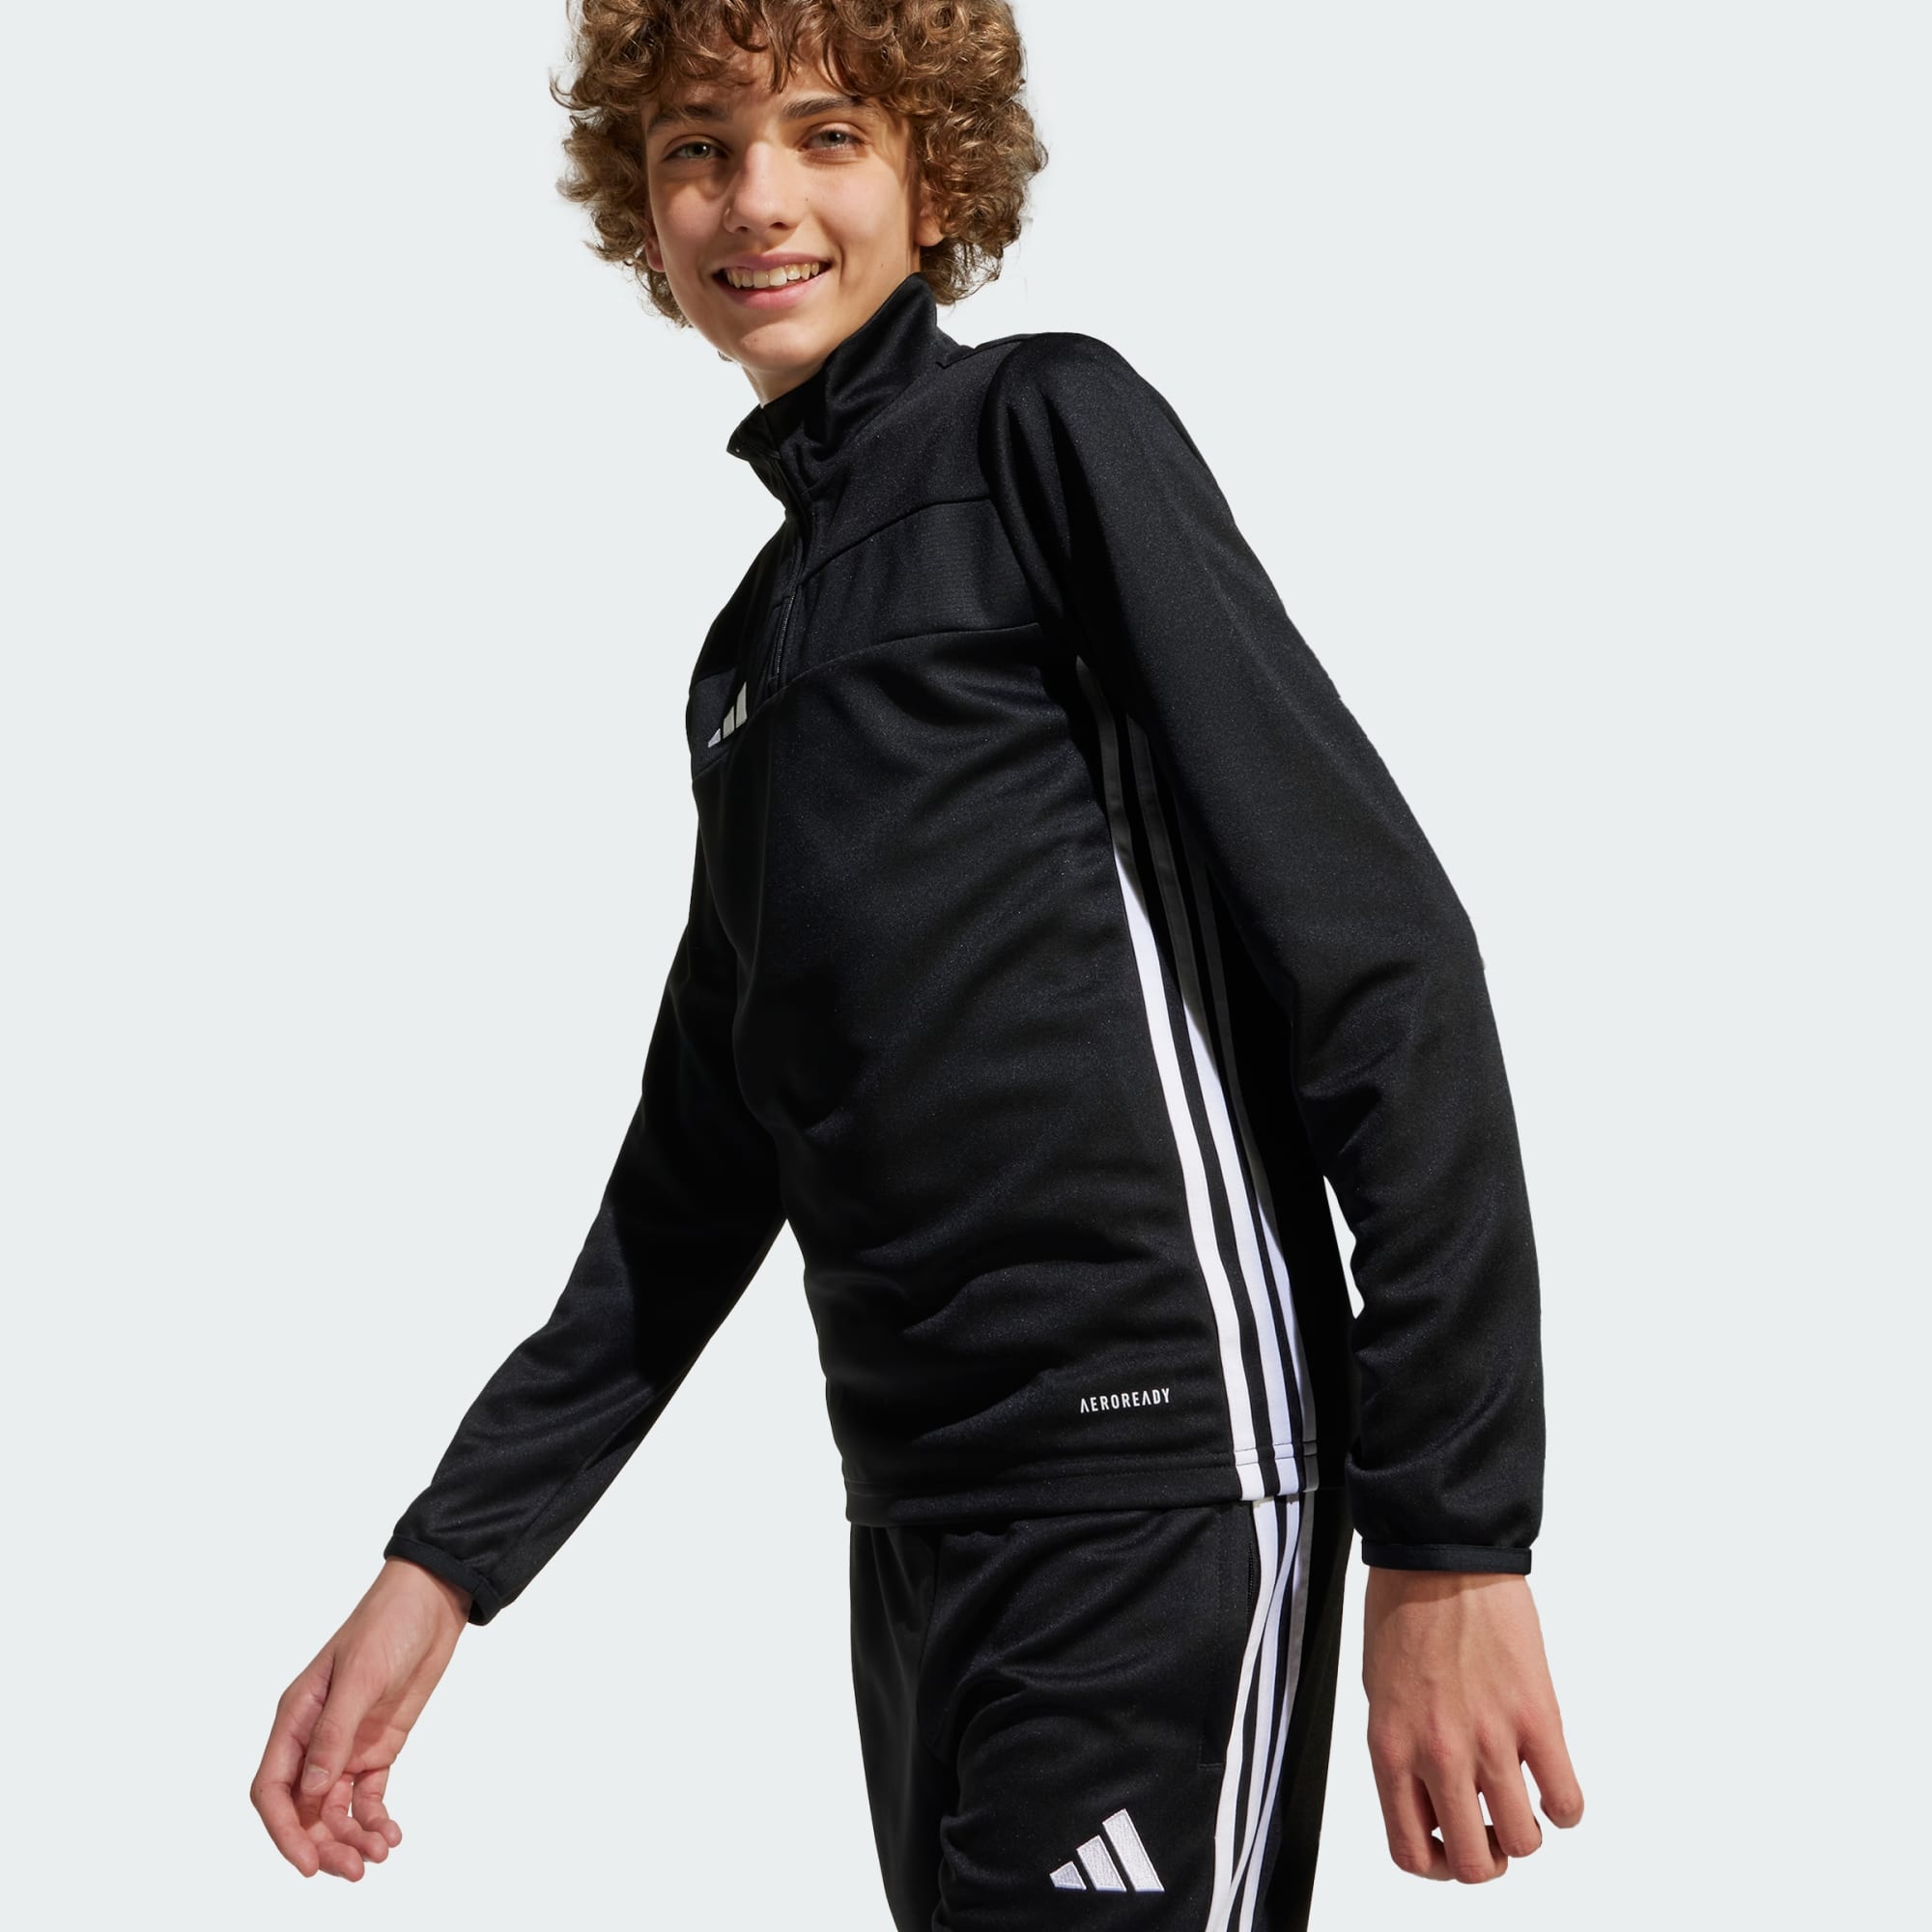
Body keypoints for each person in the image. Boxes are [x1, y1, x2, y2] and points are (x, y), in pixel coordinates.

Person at [249, 4, 1584, 1923]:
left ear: (935, 175)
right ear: (642, 202)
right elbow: (695, 1180)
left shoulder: (1044, 432)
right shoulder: (751, 655)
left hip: (1157, 1474)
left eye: (824, 135)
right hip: (919, 1523)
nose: (754, 198)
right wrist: (442, 1567)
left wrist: (1452, 1540)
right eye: (697, 148)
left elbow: (1382, 957)